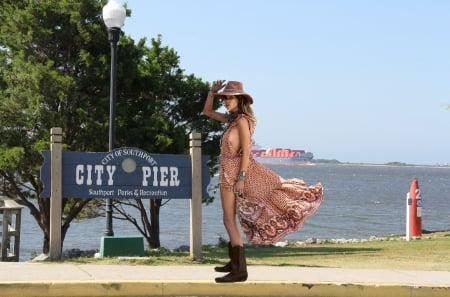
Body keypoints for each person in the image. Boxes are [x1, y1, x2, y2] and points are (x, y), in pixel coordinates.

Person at [202, 80, 323, 283]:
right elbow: (207, 112)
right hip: (226, 172)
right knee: (229, 219)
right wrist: (212, 93)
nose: (225, 101)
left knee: (229, 220)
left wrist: (240, 178)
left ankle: (240, 270)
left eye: (229, 97)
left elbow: (247, 151)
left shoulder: (242, 121)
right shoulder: (233, 119)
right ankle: (234, 263)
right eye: (223, 98)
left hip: (236, 174)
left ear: (240, 99)